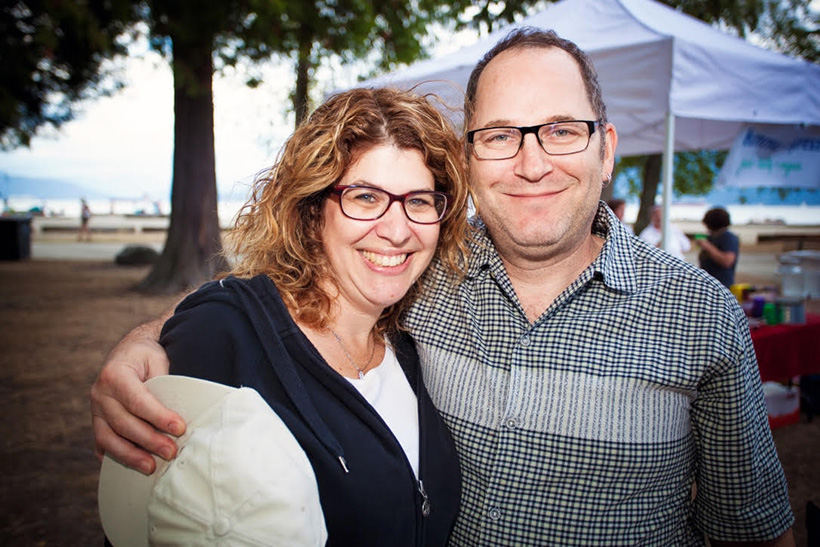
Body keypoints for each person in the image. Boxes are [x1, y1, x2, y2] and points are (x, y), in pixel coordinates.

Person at [90, 29, 794, 544]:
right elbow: (274, 306)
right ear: (469, 158)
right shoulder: (426, 277)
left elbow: (752, 529)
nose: (531, 161)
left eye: (560, 130)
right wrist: (148, 342)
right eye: (499, 136)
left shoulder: (699, 313)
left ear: (606, 148)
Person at [99, 87, 468, 545]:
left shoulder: (414, 342)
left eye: (418, 201)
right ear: (313, 212)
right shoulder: (226, 332)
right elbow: (162, 517)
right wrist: (145, 337)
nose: (396, 230)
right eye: (366, 197)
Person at [696, 206, 740, 288]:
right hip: (707, 284)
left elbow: (727, 261)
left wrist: (707, 246)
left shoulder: (728, 237)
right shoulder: (710, 237)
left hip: (722, 285)